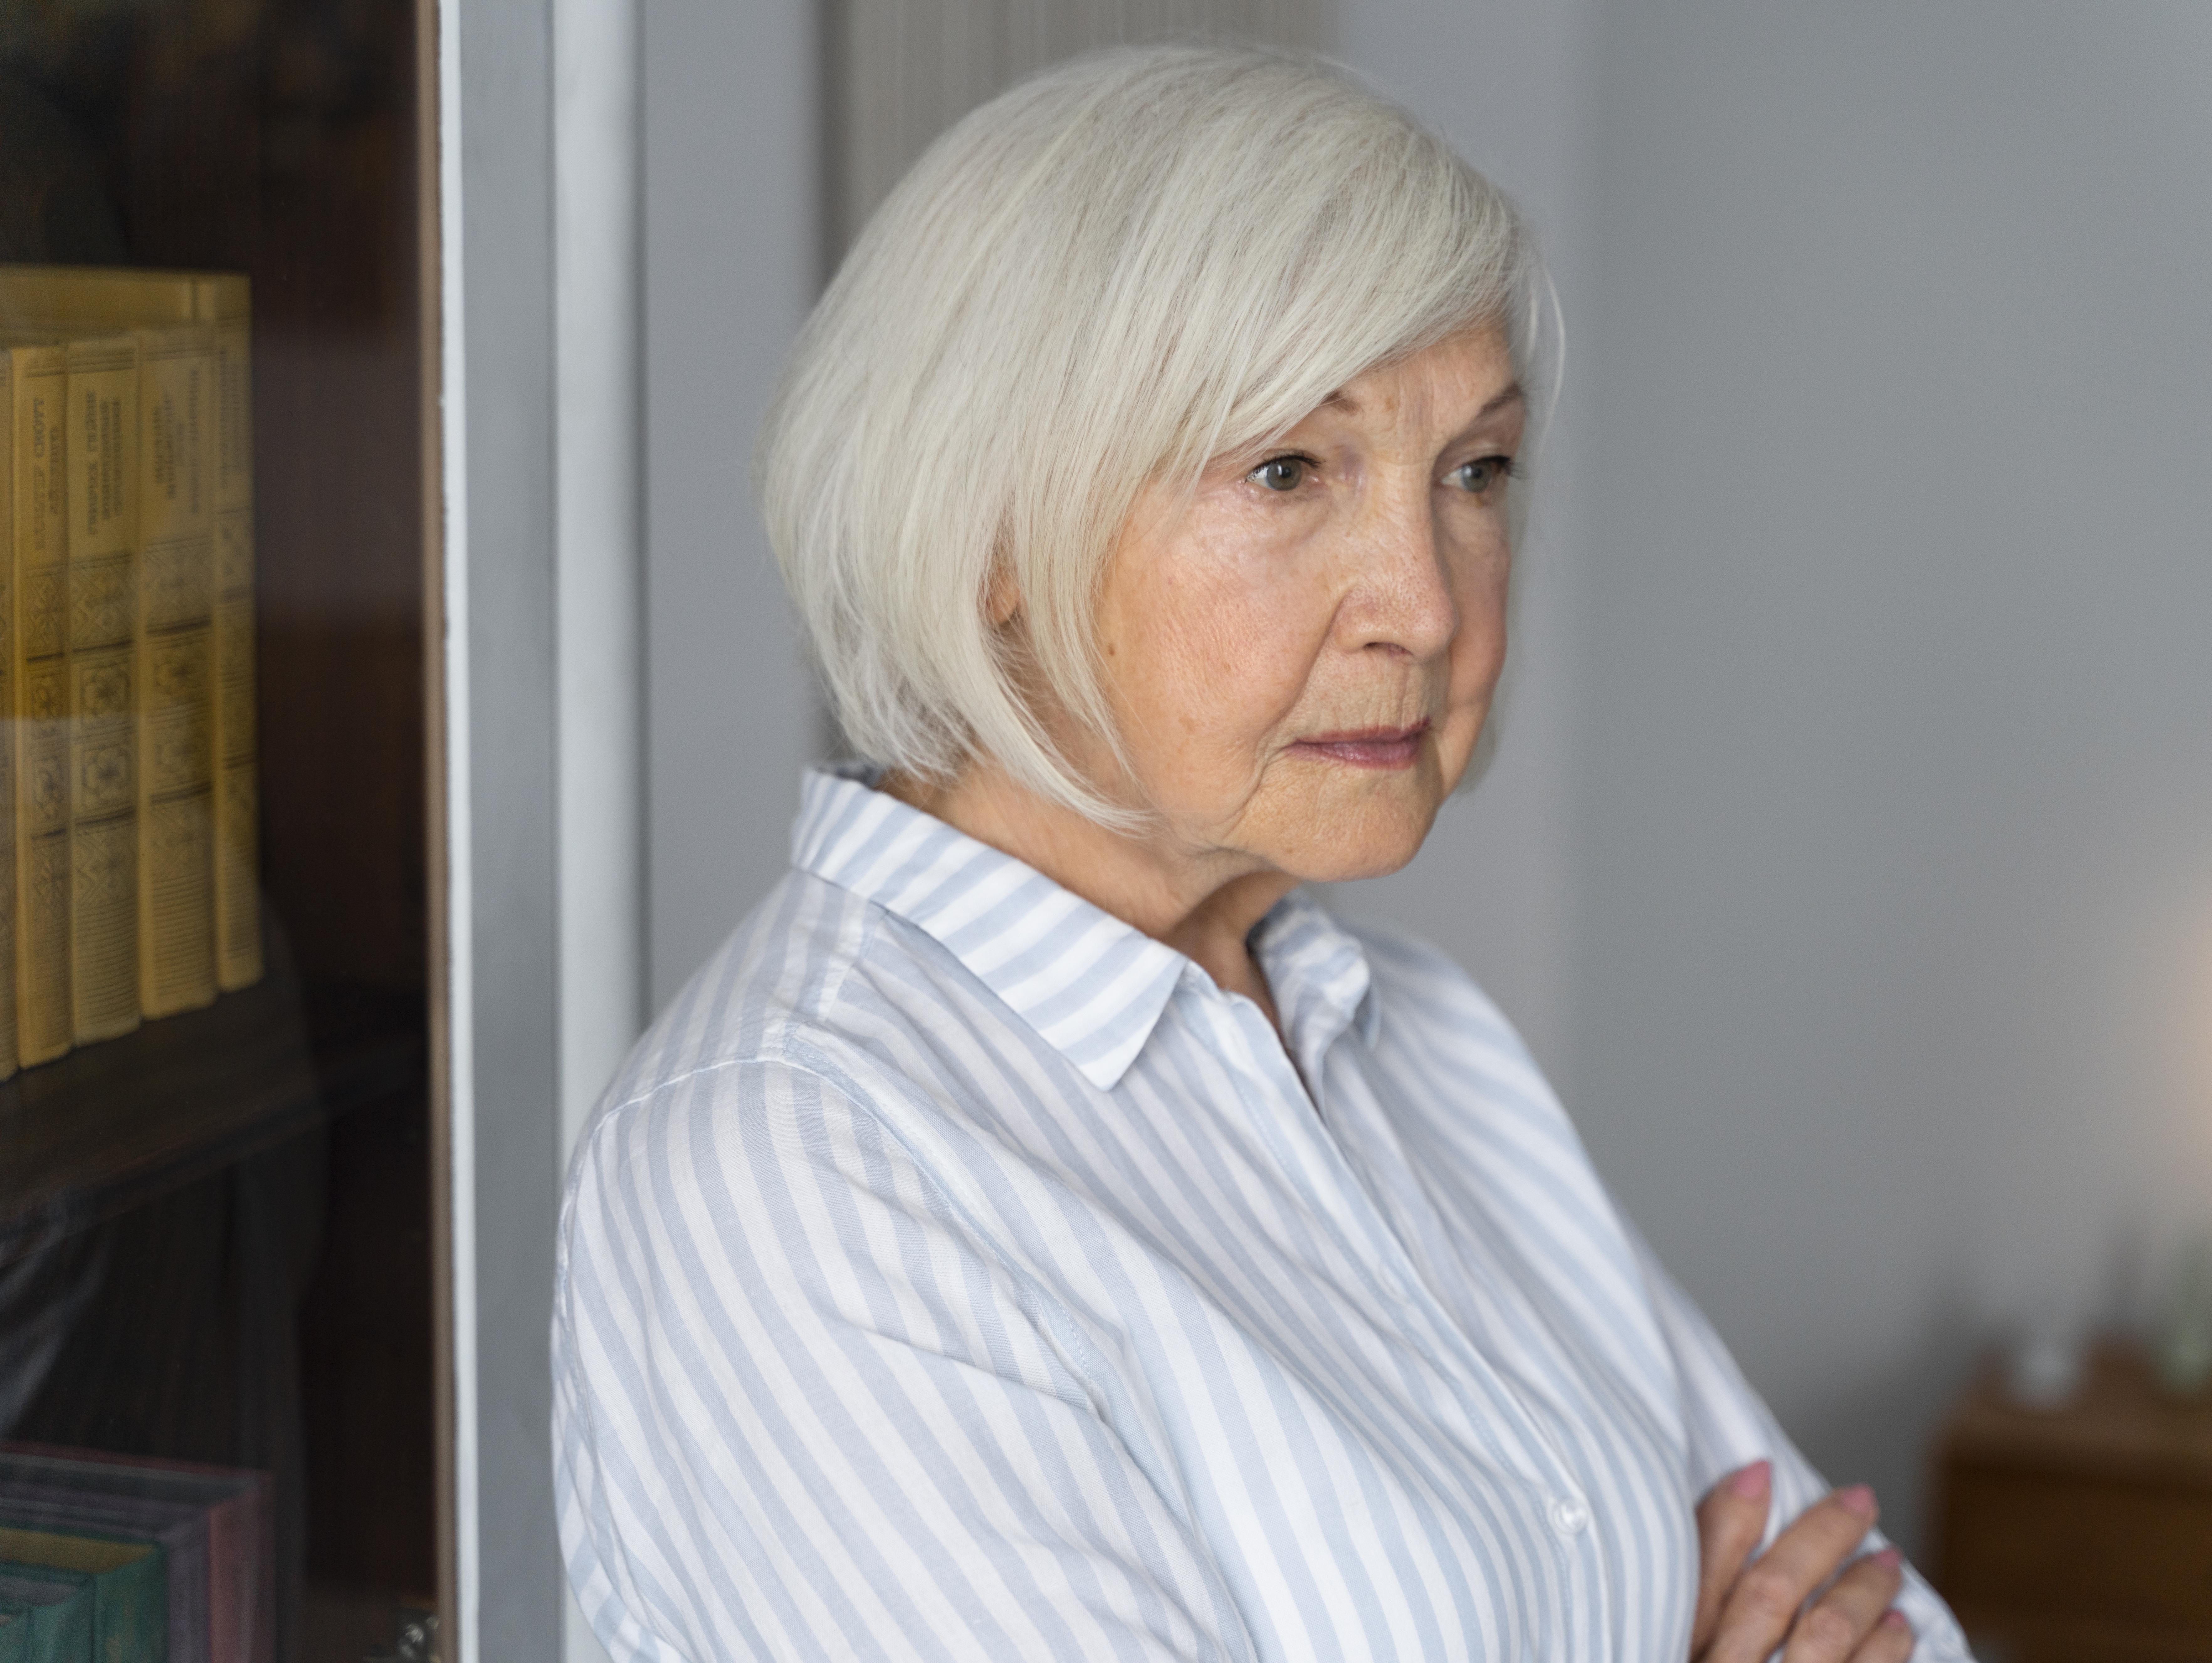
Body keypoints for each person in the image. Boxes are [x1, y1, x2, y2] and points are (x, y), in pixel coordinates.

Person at [553, 43, 1972, 1663]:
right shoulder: (794, 1165)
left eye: (1475, 472)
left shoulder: (1418, 1037)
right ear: (992, 534)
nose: (1426, 604)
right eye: (1288, 469)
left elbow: (1881, 1624)